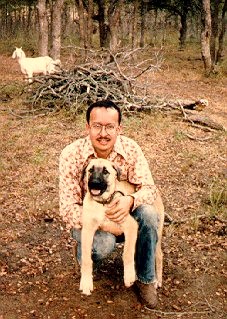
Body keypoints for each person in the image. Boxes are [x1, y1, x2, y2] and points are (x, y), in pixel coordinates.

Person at [59, 100, 161, 308]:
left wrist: (131, 200)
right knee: (103, 244)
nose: (103, 133)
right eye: (97, 126)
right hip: (91, 221)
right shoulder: (71, 154)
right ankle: (85, 258)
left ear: (119, 129)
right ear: (87, 127)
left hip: (126, 214)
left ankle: (146, 278)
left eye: (110, 127)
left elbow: (150, 189)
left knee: (149, 214)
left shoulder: (131, 149)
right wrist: (106, 224)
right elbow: (67, 209)